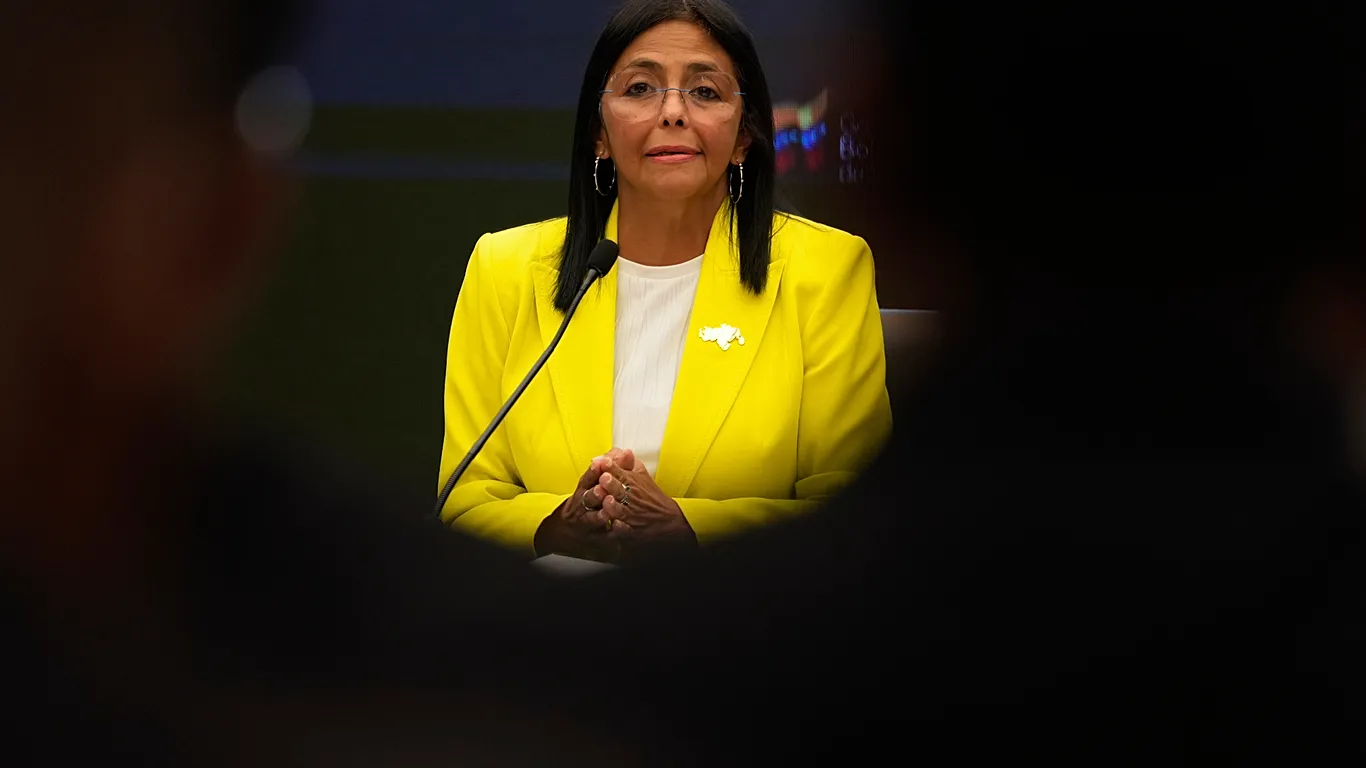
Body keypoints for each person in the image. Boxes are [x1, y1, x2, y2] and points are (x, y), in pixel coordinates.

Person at [435, 0, 893, 563]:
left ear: (744, 136)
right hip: (551, 608)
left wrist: (687, 529)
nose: (673, 112)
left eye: (704, 91)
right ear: (599, 134)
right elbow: (465, 500)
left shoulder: (826, 269)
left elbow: (852, 512)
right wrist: (556, 527)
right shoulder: (503, 267)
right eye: (640, 88)